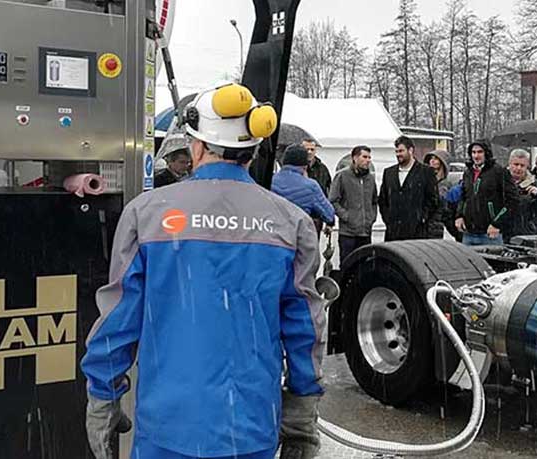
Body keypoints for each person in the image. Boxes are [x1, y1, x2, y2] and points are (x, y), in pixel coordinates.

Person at [82, 83, 326, 459]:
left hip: (167, 427)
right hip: (250, 428)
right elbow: (305, 328)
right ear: (253, 150)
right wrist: (301, 413)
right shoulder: (290, 223)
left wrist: (103, 397)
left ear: (197, 146)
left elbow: (119, 319)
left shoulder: (147, 214)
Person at [455, 140, 518, 246]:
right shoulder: (468, 173)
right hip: (468, 233)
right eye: (473, 152)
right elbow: (464, 197)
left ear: (486, 153)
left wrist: (497, 224)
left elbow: (513, 201)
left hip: (490, 234)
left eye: (480, 152)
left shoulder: (499, 172)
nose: (476, 156)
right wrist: (459, 215)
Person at [378, 136, 440, 241]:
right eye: (396, 151)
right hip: (393, 232)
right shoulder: (389, 173)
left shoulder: (426, 172)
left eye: (401, 151)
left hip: (416, 233)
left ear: (411, 150)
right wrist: (388, 219)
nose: (398, 154)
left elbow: (433, 200)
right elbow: (383, 200)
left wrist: (422, 218)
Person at [329, 145, 378, 265]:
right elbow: (333, 200)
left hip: (365, 232)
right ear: (355, 158)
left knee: (364, 266)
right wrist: (347, 216)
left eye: (369, 157)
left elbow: (374, 201)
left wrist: (372, 217)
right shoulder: (342, 176)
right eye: (364, 157)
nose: (367, 160)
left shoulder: (370, 179)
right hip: (348, 234)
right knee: (347, 266)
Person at [271, 144, 336, 232]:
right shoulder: (311, 186)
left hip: (273, 233)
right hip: (298, 235)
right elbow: (329, 215)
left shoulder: (270, 181)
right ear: (305, 165)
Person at [503, 149, 537, 242]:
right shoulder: (499, 182)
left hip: (526, 235)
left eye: (522, 165)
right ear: (509, 164)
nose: (519, 168)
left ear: (527, 166)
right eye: (516, 164)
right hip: (502, 233)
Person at [422, 150, 455, 239]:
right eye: (431, 159)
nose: (432, 161)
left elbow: (443, 206)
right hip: (422, 226)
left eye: (436, 159)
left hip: (436, 226)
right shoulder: (424, 180)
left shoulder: (445, 184)